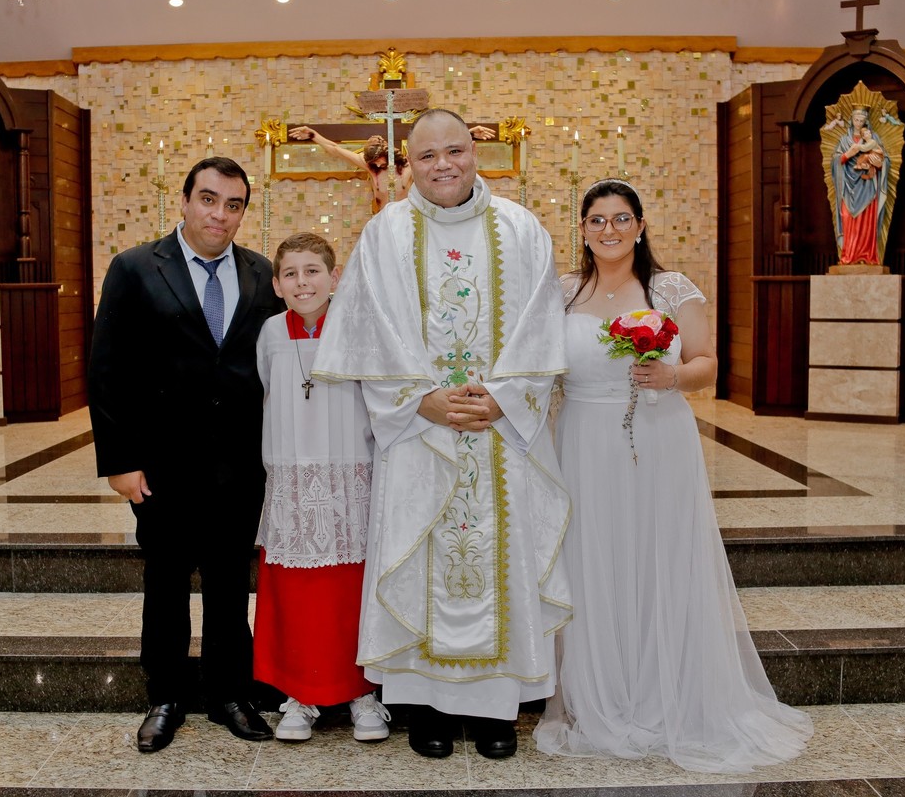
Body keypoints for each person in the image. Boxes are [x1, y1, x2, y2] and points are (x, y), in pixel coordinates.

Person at [312, 108, 571, 761]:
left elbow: (542, 321)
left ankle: (495, 711)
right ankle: (425, 707)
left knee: (503, 558)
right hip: (419, 431)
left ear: (475, 152)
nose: (443, 165)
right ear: (410, 163)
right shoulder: (384, 233)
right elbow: (368, 331)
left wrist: (504, 397)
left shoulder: (521, 228)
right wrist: (417, 400)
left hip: (499, 429)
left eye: (454, 150)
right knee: (420, 551)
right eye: (427, 155)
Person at [532, 178, 813, 773]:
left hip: (658, 437)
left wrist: (673, 377)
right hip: (581, 439)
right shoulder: (561, 292)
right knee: (591, 559)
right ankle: (595, 695)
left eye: (621, 218)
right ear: (582, 229)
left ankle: (665, 693)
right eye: (597, 220)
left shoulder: (670, 288)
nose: (609, 229)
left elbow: (707, 363)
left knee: (658, 555)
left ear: (640, 226)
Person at [88, 157, 284, 753]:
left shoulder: (262, 274)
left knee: (229, 583)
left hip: (241, 465)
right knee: (166, 581)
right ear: (185, 201)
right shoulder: (134, 268)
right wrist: (119, 462)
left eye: (233, 204)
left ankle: (230, 694)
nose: (219, 214)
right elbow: (107, 370)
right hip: (162, 464)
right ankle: (166, 696)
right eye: (209, 199)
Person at [251, 232, 391, 744]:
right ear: (276, 285)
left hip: (349, 476)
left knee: (350, 591)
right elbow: (265, 392)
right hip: (291, 477)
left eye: (312, 271)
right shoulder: (270, 333)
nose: (302, 282)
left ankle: (362, 694)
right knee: (296, 593)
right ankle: (299, 695)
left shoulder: (359, 327)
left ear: (335, 277)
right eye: (290, 274)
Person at [288, 124, 497, 214]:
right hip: (381, 220)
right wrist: (313, 135)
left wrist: (468, 134)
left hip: (408, 220)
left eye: (381, 161)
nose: (379, 165)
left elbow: (437, 150)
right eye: (374, 163)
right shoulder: (371, 167)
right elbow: (336, 150)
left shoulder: (410, 168)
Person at [831, 107, 890, 265]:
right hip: (848, 186)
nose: (858, 123)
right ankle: (848, 255)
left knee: (866, 221)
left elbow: (884, 159)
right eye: (856, 120)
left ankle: (867, 255)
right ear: (851, 120)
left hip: (867, 185)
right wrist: (847, 155)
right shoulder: (844, 140)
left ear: (866, 122)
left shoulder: (873, 138)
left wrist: (877, 162)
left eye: (862, 120)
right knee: (847, 217)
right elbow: (835, 162)